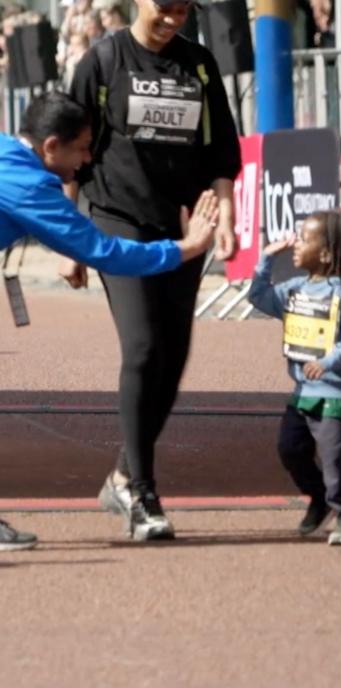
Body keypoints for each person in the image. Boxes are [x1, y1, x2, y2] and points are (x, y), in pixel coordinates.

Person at [0, 91, 218, 551]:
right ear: (51, 146)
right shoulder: (29, 184)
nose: (86, 161)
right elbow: (105, 253)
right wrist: (186, 248)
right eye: (81, 148)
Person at [62, 0, 241, 542]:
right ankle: (143, 492)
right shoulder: (102, 59)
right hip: (116, 218)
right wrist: (70, 237)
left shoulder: (201, 66)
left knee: (172, 356)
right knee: (141, 348)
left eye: (183, 11)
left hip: (185, 226)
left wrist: (226, 216)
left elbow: (221, 154)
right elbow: (70, 148)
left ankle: (121, 473)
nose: (172, 19)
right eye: (164, 8)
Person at [248, 210, 341, 545]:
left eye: (304, 238)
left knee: (335, 460)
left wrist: (328, 361)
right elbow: (258, 298)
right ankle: (319, 499)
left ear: (327, 253)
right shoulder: (295, 290)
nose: (296, 244)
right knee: (290, 449)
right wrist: (265, 260)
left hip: (334, 395)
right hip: (302, 392)